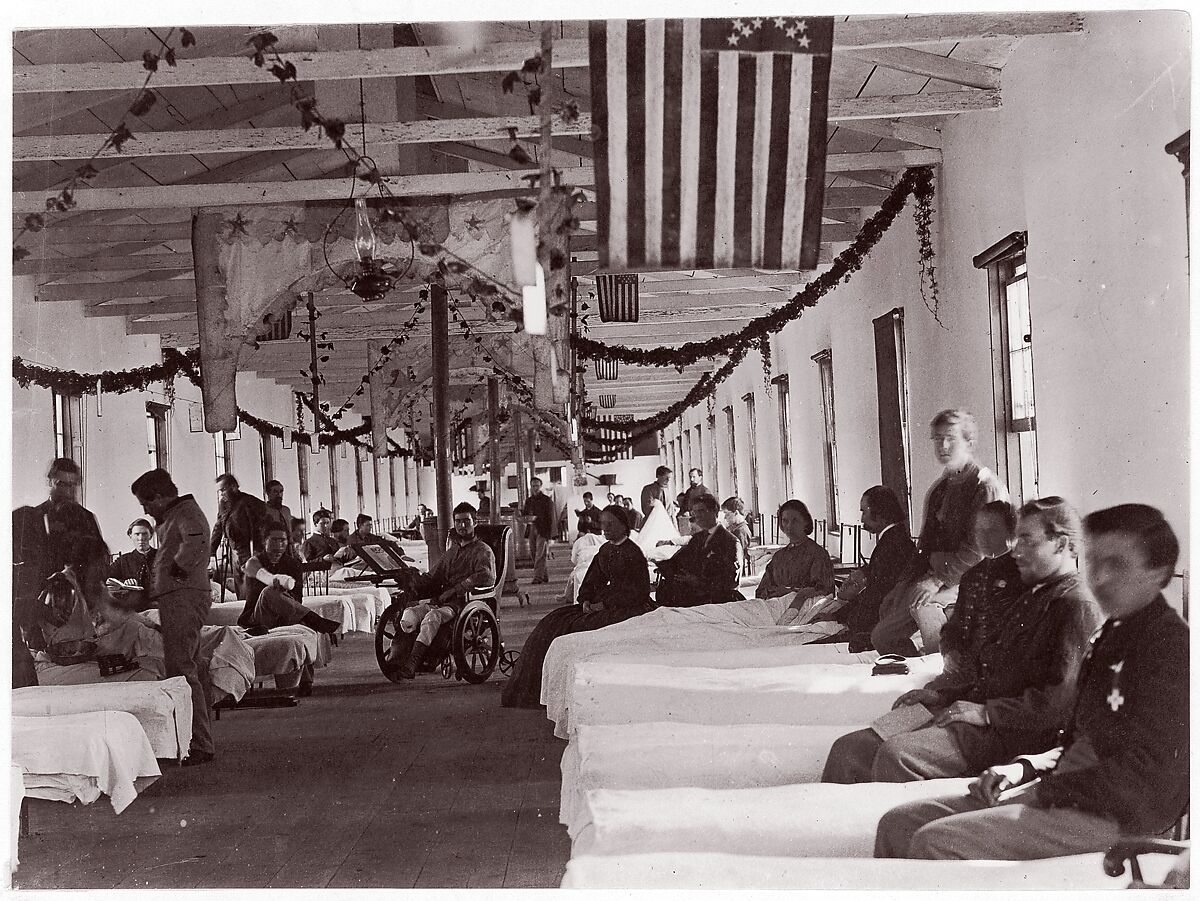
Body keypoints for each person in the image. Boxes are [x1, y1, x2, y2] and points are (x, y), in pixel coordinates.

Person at [875, 504, 1188, 861]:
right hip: (1071, 792)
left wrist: (1044, 790)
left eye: (1116, 565)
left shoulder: (1171, 650)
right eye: (1095, 562)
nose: (1099, 578)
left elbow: (1146, 778)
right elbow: (1083, 745)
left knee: (934, 841)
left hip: (1118, 816)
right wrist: (1024, 768)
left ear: (1159, 572)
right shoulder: (1112, 636)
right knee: (898, 823)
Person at [824, 498, 1098, 783]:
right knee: (849, 748)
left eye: (1027, 541)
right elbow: (991, 673)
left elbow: (1057, 706)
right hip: (971, 708)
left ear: (1062, 544)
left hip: (1009, 733)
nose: (1015, 552)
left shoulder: (1075, 606)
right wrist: (942, 694)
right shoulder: (1033, 596)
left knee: (897, 755)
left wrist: (986, 712)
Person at [872, 410, 1008, 655]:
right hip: (939, 577)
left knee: (925, 608)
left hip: (975, 576)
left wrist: (936, 581)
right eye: (937, 439)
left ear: (969, 442)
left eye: (951, 438)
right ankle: (919, 665)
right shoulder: (940, 489)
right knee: (883, 636)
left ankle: (946, 670)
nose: (943, 446)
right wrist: (900, 586)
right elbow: (924, 546)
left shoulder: (984, 487)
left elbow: (977, 550)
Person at [502, 505, 655, 707]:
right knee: (553, 621)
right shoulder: (606, 549)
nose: (606, 529)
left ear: (623, 526)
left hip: (629, 605)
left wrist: (604, 604)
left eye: (611, 525)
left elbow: (638, 591)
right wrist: (585, 600)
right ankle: (534, 689)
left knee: (574, 630)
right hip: (606, 602)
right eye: (603, 524)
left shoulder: (633, 552)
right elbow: (592, 579)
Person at [131, 468, 215, 766]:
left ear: (159, 496)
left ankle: (199, 744)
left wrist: (174, 575)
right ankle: (197, 737)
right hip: (176, 597)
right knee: (188, 665)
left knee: (181, 670)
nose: (145, 510)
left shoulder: (187, 513)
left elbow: (198, 545)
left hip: (183, 597)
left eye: (146, 503)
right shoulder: (175, 516)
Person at [393, 502, 497, 678]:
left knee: (432, 617)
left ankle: (413, 662)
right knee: (409, 613)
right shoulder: (452, 551)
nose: (462, 526)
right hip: (441, 600)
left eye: (466, 521)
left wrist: (456, 589)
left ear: (475, 522)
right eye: (458, 522)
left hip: (464, 603)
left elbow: (486, 577)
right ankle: (401, 658)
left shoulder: (483, 551)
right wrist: (412, 579)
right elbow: (433, 576)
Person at [14, 458, 109, 643]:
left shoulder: (87, 519)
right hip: (39, 612)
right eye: (61, 484)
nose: (67, 491)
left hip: (79, 610)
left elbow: (100, 563)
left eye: (73, 485)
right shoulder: (30, 518)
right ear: (49, 481)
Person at [835, 486, 918, 650]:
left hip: (876, 625)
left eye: (864, 512)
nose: (862, 519)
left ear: (880, 513)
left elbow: (877, 596)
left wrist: (843, 621)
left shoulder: (892, 545)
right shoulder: (892, 540)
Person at [241, 524, 340, 634]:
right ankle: (314, 620)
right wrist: (275, 584)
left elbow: (297, 598)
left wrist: (283, 596)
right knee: (269, 591)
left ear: (287, 542)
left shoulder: (293, 564)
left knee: (274, 591)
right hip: (258, 617)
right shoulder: (253, 562)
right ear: (265, 541)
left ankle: (310, 620)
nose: (279, 545)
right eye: (274, 540)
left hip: (284, 616)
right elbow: (262, 576)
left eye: (283, 540)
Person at [656, 494, 742, 607]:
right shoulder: (697, 538)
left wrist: (699, 582)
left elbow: (731, 582)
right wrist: (663, 566)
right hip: (696, 598)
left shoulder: (730, 542)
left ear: (714, 511)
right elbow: (680, 559)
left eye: (701, 511)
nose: (697, 516)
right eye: (695, 512)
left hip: (716, 603)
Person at [755, 500, 836, 601]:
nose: (789, 526)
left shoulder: (818, 554)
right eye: (785, 521)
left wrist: (791, 593)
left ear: (805, 522)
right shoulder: (779, 557)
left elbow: (825, 592)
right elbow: (761, 590)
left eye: (795, 521)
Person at [209, 473, 270, 600]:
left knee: (251, 586)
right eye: (219, 491)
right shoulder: (224, 505)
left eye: (223, 489)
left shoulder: (251, 503)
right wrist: (211, 550)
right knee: (240, 587)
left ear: (234, 487)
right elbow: (218, 526)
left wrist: (257, 552)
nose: (221, 494)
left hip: (251, 550)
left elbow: (261, 529)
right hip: (234, 552)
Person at [107, 518, 158, 610]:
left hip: (159, 607)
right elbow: (105, 577)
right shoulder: (123, 560)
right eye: (137, 534)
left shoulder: (162, 556)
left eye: (144, 534)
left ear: (150, 535)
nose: (141, 538)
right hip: (134, 610)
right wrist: (123, 582)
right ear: (130, 535)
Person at [523, 477, 555, 585]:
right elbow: (525, 514)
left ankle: (538, 577)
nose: (535, 488)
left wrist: (551, 535)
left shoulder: (546, 500)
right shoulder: (529, 501)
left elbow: (551, 518)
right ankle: (544, 575)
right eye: (533, 486)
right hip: (532, 528)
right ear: (530, 487)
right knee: (533, 553)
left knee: (540, 554)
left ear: (540, 486)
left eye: (537, 485)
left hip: (543, 529)